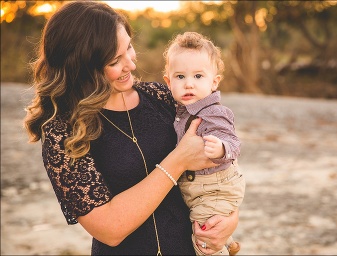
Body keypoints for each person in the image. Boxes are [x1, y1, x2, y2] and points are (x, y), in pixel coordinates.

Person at [23, 2, 238, 255]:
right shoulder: (65, 132)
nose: (131, 65)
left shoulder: (164, 97)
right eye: (115, 60)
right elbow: (109, 229)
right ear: (82, 67)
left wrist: (228, 221)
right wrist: (178, 161)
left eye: (129, 48)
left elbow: (223, 166)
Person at [162, 31, 245, 256]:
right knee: (211, 220)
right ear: (168, 82)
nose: (189, 84)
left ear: (214, 82)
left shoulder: (214, 112)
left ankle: (218, 248)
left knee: (204, 237)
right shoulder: (178, 110)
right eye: (180, 77)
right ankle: (229, 243)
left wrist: (220, 148)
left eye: (198, 76)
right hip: (200, 187)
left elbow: (234, 143)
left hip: (215, 185)